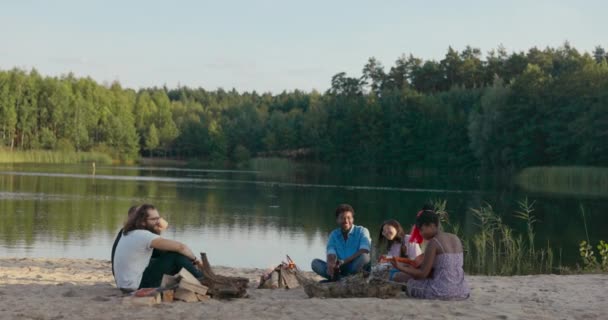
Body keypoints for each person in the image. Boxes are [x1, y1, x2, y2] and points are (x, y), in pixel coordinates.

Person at [113, 204, 204, 291]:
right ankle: (203, 280)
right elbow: (181, 247)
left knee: (168, 254)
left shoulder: (128, 232)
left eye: (159, 218)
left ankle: (195, 278)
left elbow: (163, 234)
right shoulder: (143, 235)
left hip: (124, 284)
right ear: (143, 222)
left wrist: (156, 224)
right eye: (154, 219)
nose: (159, 222)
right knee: (175, 256)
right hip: (135, 286)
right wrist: (195, 260)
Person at [390, 207, 470, 300]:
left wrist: (400, 268)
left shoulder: (434, 242)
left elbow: (422, 274)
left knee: (403, 279)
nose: (420, 233)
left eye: (421, 229)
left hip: (441, 291)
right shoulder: (455, 238)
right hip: (462, 290)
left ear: (432, 225)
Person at [311, 204, 371, 281]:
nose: (346, 221)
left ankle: (338, 280)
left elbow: (364, 250)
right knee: (315, 263)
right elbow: (331, 252)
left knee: (365, 257)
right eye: (342, 218)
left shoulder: (362, 231)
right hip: (339, 269)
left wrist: (344, 261)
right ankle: (341, 279)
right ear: (337, 220)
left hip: (355, 267)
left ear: (353, 219)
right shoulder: (334, 234)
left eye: (349, 218)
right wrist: (330, 264)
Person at [110, 205, 168, 277]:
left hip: (120, 276)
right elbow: (161, 252)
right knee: (171, 257)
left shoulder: (125, 232)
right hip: (131, 278)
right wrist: (158, 230)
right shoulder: (138, 234)